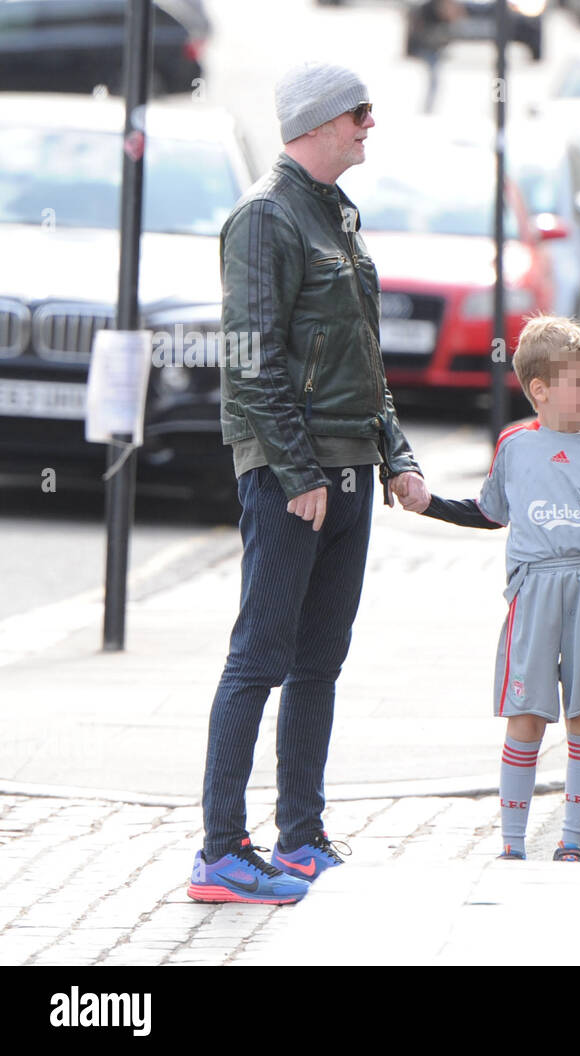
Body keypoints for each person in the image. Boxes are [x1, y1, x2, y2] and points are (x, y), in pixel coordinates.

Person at [188, 62, 430, 906]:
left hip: (349, 465)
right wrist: (297, 473)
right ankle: (220, 850)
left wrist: (394, 454)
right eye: (360, 113)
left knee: (321, 659)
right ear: (321, 122)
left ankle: (301, 835)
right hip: (294, 473)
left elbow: (364, 360)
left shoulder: (335, 215)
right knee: (260, 655)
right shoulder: (265, 217)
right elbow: (250, 365)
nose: (370, 125)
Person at [416, 316, 580, 862]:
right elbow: (488, 513)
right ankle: (513, 845)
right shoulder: (515, 447)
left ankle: (572, 842)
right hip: (534, 590)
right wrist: (430, 503)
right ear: (540, 390)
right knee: (526, 715)